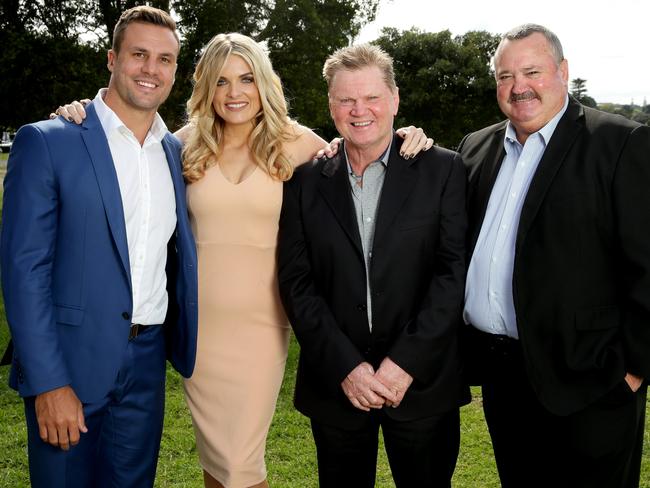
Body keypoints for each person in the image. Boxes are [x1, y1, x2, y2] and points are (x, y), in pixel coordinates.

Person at [54, 33, 432, 488]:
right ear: (206, 88)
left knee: (241, 465)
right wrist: (80, 115)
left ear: (264, 83)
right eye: (222, 81)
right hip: (199, 330)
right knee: (218, 464)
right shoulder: (180, 145)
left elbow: (364, 149)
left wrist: (410, 134)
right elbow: (118, 155)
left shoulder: (300, 145)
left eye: (247, 79)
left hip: (262, 328)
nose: (235, 93)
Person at [0, 6, 197, 488]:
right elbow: (24, 272)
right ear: (112, 59)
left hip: (146, 364)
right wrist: (48, 383)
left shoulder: (174, 151)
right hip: (70, 363)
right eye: (139, 54)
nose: (152, 69)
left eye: (165, 59)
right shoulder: (50, 141)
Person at [459, 23, 650, 488]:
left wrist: (633, 372)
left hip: (592, 382)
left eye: (531, 71)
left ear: (562, 72)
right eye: (505, 76)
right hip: (505, 380)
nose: (518, 86)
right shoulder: (475, 147)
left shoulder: (620, 143)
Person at [277, 44, 468, 487]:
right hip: (337, 385)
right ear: (331, 105)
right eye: (346, 99)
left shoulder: (443, 170)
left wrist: (404, 363)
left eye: (372, 98)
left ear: (395, 100)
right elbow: (297, 282)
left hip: (422, 384)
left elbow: (451, 274)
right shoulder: (305, 181)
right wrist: (346, 367)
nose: (359, 110)